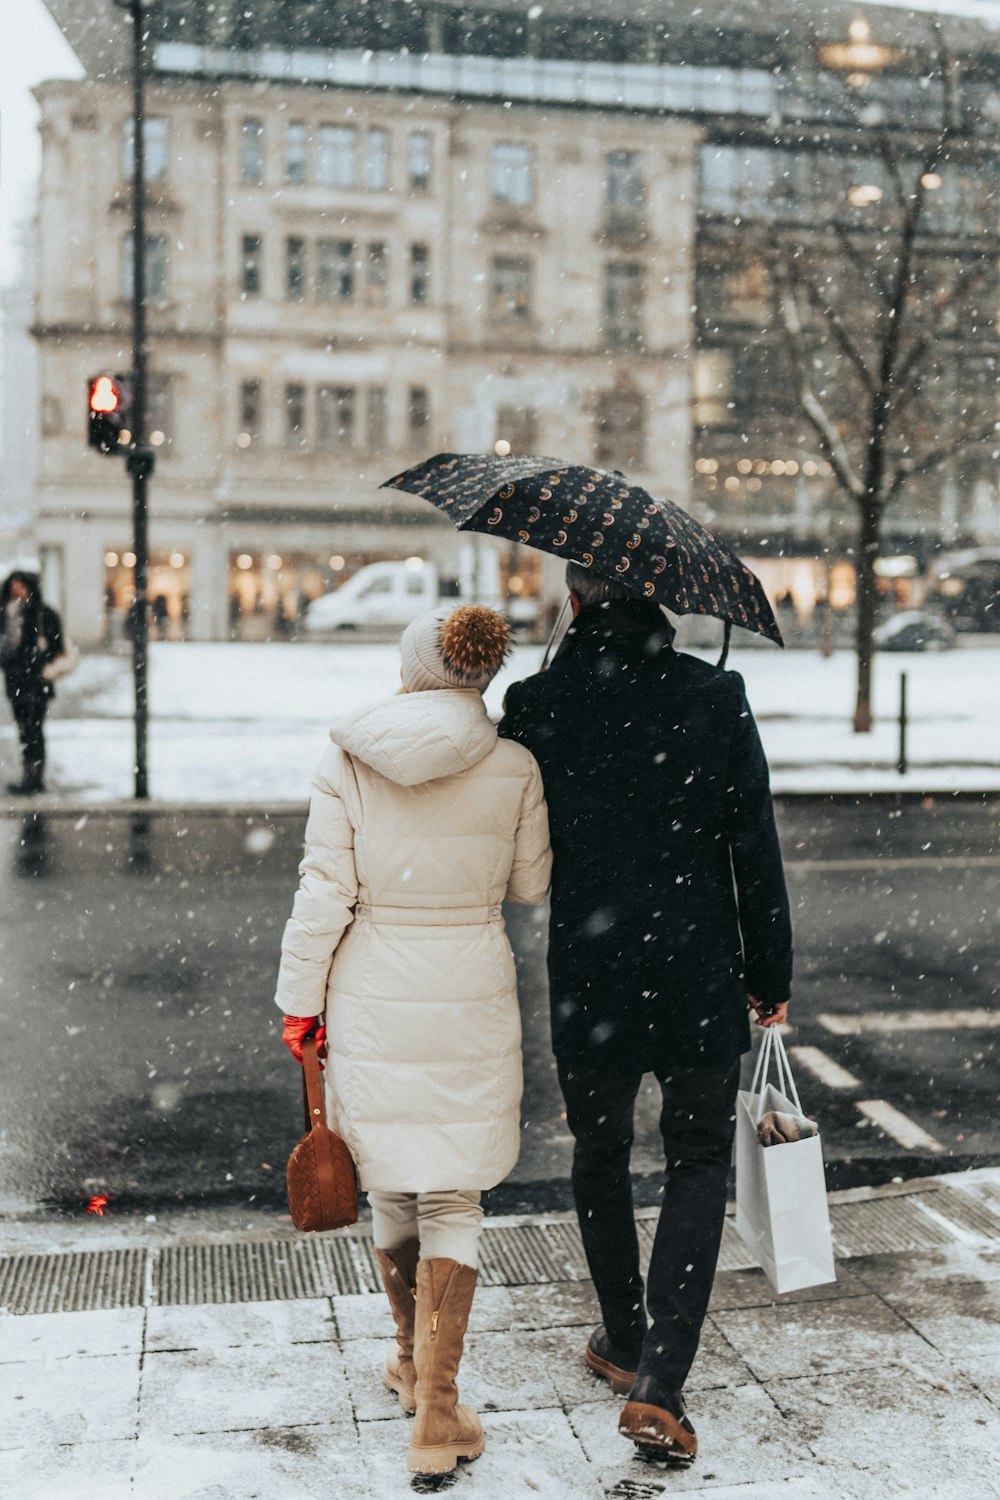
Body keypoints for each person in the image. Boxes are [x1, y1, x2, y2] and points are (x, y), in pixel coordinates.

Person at [499, 562, 792, 1464]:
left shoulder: (538, 705)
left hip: (592, 970)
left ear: (578, 600)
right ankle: (663, 1379)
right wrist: (768, 972)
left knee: (600, 1151)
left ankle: (624, 1337)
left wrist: (549, 690)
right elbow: (754, 839)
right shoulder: (716, 693)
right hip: (701, 963)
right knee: (699, 1157)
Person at [274, 604, 551, 1477]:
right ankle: (437, 1411)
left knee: (389, 1172)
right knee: (454, 1194)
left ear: (413, 667)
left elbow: (324, 892)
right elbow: (532, 883)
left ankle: (408, 1358)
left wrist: (297, 1001)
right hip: (470, 981)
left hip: (372, 983)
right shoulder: (513, 763)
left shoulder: (349, 757)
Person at [0, 571, 67, 796]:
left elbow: (56, 646)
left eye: (20, 585)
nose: (16, 590)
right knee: (24, 729)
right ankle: (29, 775)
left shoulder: (42, 613)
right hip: (15, 680)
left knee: (34, 729)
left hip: (37, 681)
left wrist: (37, 661)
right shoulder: (5, 612)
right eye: (13, 585)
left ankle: (35, 777)